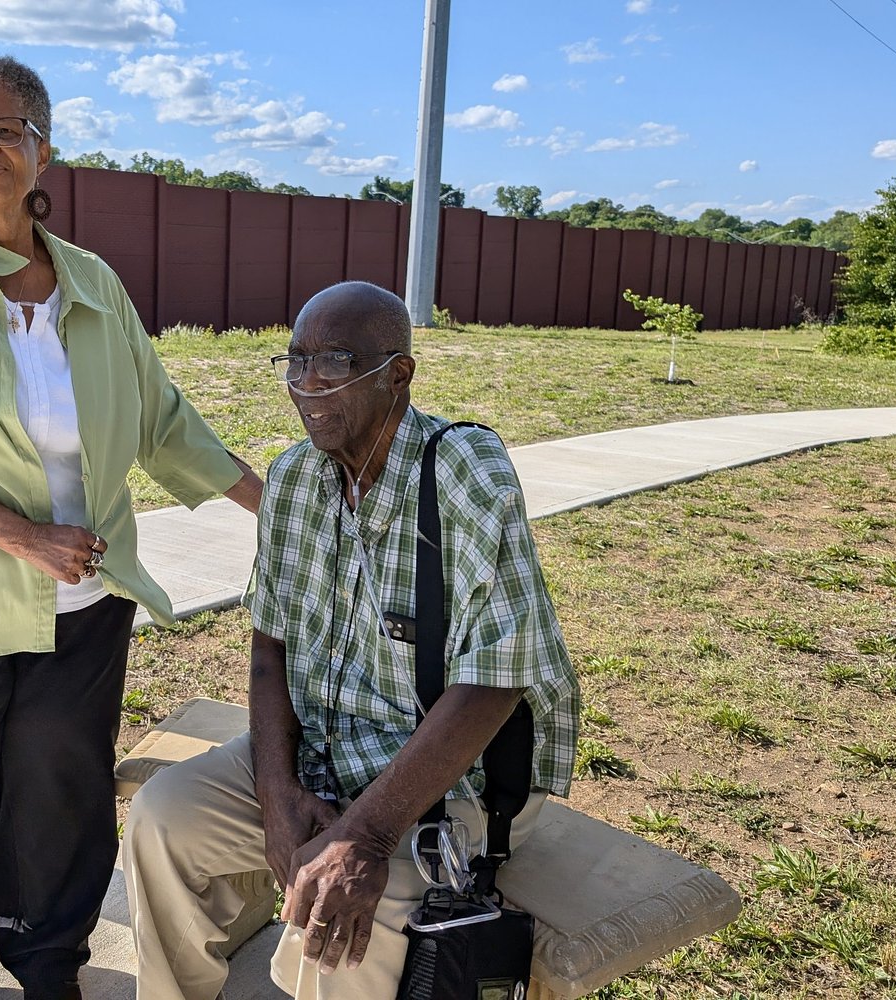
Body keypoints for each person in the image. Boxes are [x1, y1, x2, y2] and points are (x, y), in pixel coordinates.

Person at [0, 54, 263, 1000]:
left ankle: (49, 971)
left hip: (83, 610)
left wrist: (270, 506)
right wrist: (23, 538)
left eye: (1, 129)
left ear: (42, 150)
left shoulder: (94, 284)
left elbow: (161, 420)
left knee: (61, 808)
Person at [123, 281, 581, 1000]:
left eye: (333, 363)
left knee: (332, 929)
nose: (306, 385)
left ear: (397, 373)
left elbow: (494, 681)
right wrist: (276, 797)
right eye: (295, 362)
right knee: (162, 818)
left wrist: (362, 837)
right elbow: (268, 645)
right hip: (326, 752)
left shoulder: (461, 471)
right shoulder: (294, 479)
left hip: (451, 777)